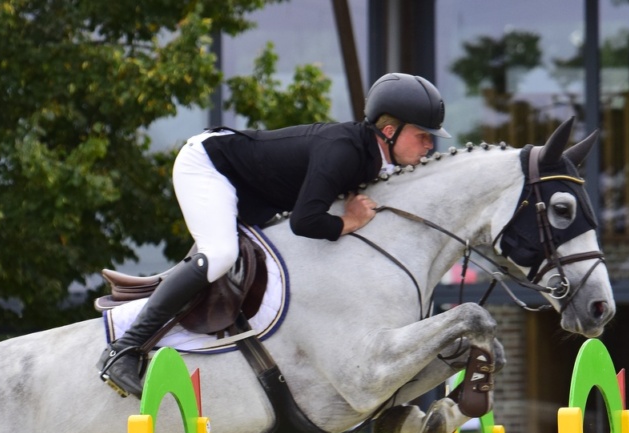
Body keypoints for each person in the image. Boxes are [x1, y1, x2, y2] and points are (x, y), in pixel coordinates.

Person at [98, 73, 452, 397]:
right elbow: (305, 221)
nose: (428, 146)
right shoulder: (344, 151)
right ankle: (123, 350)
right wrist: (349, 223)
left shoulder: (373, 159)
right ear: (389, 131)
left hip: (248, 194)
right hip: (208, 165)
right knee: (220, 255)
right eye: (422, 136)